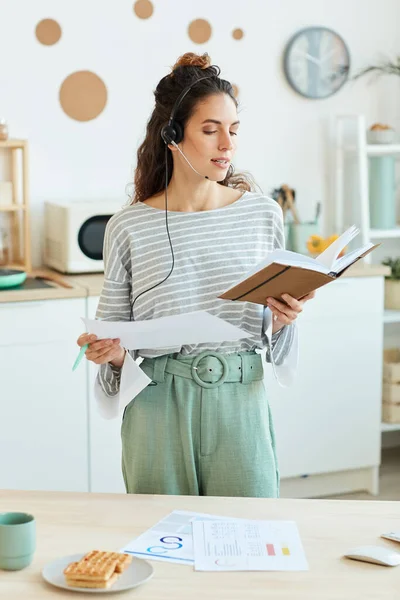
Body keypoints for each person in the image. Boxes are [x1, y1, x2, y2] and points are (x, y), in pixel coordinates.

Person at [76, 52, 315, 498]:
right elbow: (113, 340)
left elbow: (271, 336)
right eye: (210, 130)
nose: (228, 144)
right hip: (156, 404)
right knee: (161, 544)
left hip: (240, 400)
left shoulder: (263, 214)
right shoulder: (128, 226)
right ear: (172, 135)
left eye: (234, 130)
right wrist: (108, 352)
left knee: (250, 540)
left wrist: (282, 319)